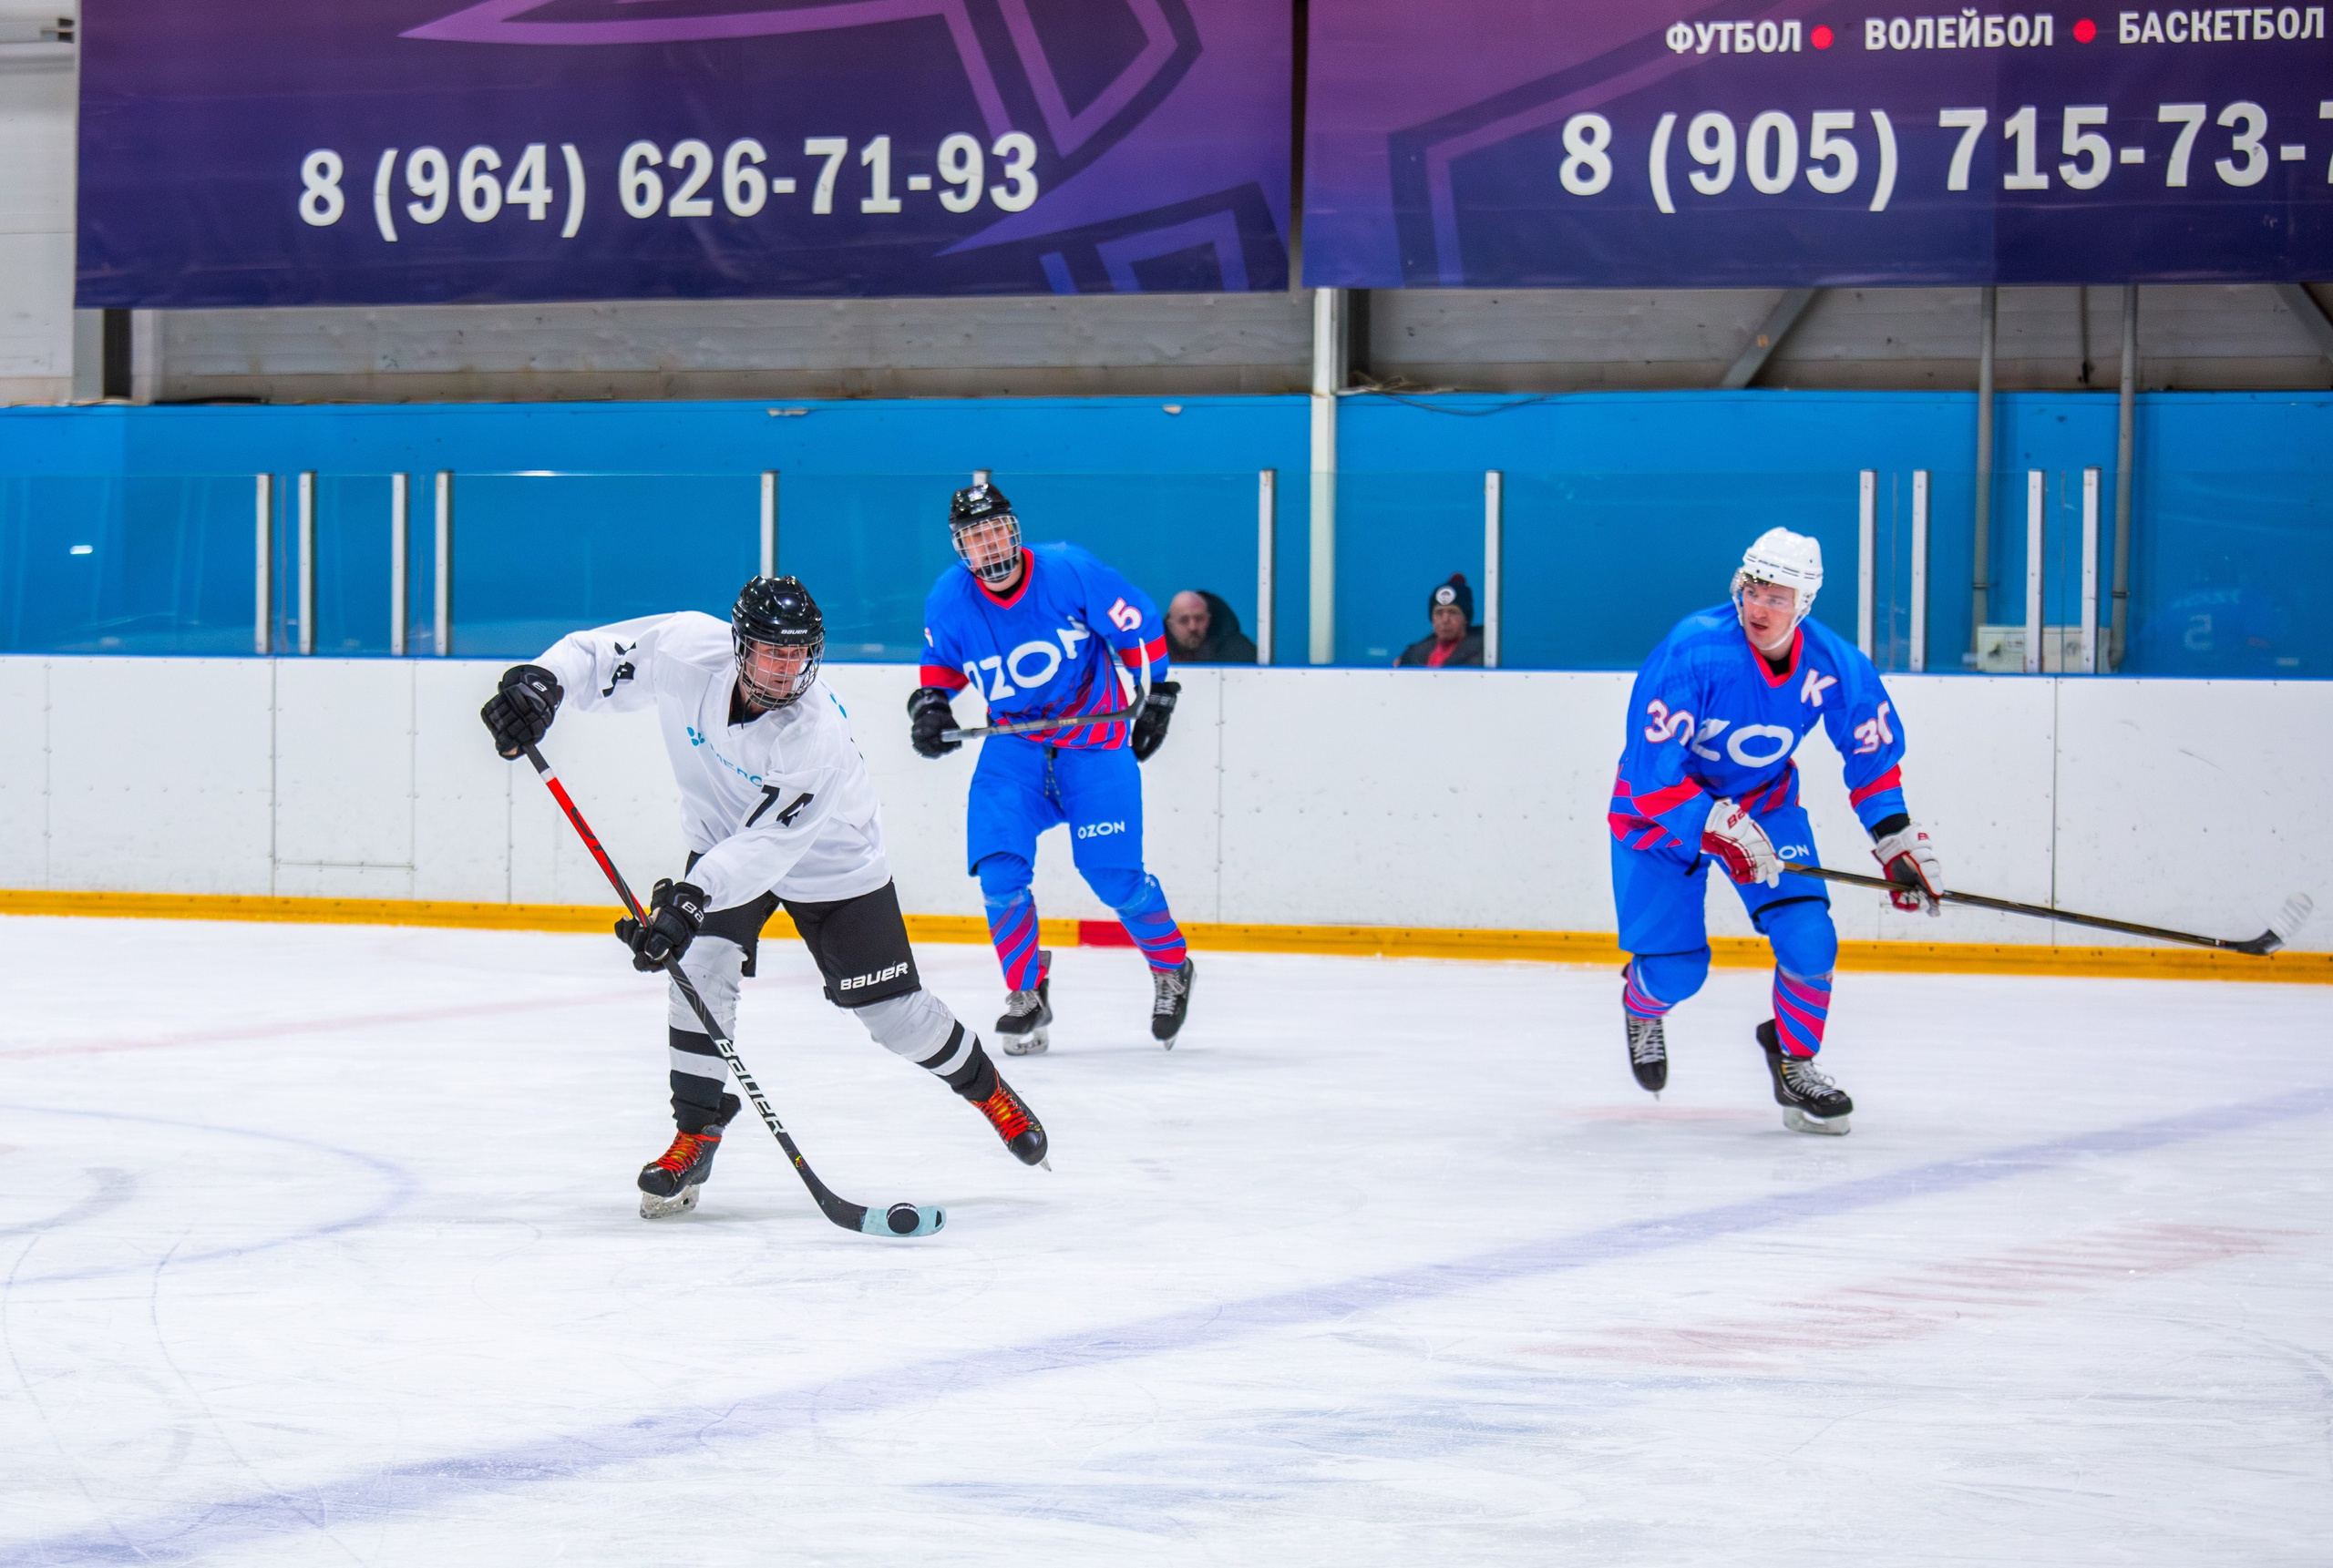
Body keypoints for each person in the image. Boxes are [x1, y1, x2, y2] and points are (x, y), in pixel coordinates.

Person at [478, 575, 1050, 1220]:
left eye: (799, 654)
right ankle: (696, 1132)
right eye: (773, 652)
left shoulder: (815, 735)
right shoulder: (687, 649)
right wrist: (541, 685)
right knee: (698, 966)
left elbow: (768, 849)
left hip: (833, 863)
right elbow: (596, 656)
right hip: (723, 840)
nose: (786, 669)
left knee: (893, 1015)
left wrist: (690, 898)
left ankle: (988, 1090)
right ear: (739, 645)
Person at [1605, 528, 1943, 1135]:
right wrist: (1709, 822)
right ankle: (1640, 1000)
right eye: (1752, 589)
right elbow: (1650, 773)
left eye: (1778, 597)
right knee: (1678, 970)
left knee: (1810, 936)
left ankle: (1795, 1059)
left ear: (1805, 604)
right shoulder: (1694, 650)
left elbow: (1872, 763)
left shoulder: (1837, 666)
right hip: (1659, 812)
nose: (1759, 606)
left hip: (1762, 804)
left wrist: (1897, 841)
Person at [909, 480, 1195, 1055]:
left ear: (1013, 531)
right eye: (973, 538)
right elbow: (942, 662)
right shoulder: (949, 599)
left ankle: (1172, 968)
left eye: (993, 532)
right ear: (960, 548)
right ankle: (1026, 990)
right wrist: (931, 705)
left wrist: (1157, 692)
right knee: (998, 870)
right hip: (1015, 749)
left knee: (1113, 877)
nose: (987, 547)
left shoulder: (1069, 571)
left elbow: (1136, 624)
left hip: (1093, 739)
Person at [1394, 574, 1485, 667]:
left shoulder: (1484, 653)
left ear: (1466, 619)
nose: (1445, 620)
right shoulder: (1413, 656)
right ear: (1432, 619)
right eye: (1439, 613)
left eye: (1453, 612)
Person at [1166, 589, 1258, 665]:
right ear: (1170, 625)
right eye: (1184, 620)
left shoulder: (1239, 652)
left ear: (1209, 620)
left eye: (1199, 618)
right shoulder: (1156, 654)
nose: (1192, 627)